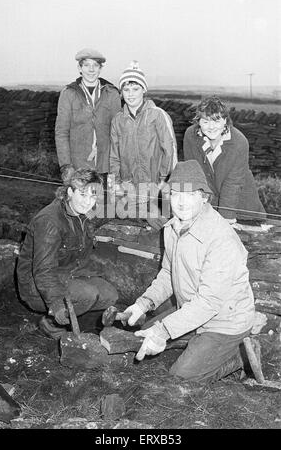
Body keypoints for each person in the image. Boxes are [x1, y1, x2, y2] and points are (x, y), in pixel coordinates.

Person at [117, 160, 255, 383]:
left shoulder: (221, 238)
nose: (181, 201)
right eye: (175, 194)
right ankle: (193, 342)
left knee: (181, 377)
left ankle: (240, 357)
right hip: (192, 308)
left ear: (204, 197)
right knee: (144, 332)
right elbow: (168, 273)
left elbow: (209, 302)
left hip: (225, 320)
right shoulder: (173, 228)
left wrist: (164, 331)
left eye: (190, 194)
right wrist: (143, 303)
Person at [17, 168, 118, 339]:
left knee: (110, 295)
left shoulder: (83, 212)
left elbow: (109, 212)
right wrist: (56, 305)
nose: (88, 202)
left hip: (68, 272)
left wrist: (142, 210)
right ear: (70, 191)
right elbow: (43, 271)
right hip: (36, 285)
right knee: (88, 295)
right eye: (83, 194)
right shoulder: (50, 222)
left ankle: (74, 316)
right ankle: (51, 323)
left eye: (93, 196)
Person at [109, 61, 178, 227]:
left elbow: (170, 152)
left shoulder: (158, 115)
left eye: (135, 89)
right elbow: (114, 157)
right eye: (126, 90)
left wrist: (165, 182)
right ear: (121, 92)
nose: (130, 94)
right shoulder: (118, 121)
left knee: (161, 227)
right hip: (130, 188)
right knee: (131, 228)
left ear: (144, 90)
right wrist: (116, 184)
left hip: (157, 186)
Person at [183, 96, 265, 227]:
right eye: (205, 122)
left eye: (216, 121)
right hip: (209, 208)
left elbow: (233, 183)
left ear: (225, 121)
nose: (211, 127)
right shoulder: (191, 136)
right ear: (198, 122)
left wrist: (225, 220)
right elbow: (191, 174)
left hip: (241, 209)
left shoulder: (239, 142)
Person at [55, 48, 122, 184]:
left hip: (105, 165)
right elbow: (61, 132)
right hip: (78, 167)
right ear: (79, 68)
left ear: (100, 69)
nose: (91, 70)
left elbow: (118, 132)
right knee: (80, 203)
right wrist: (66, 166)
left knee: (105, 203)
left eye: (95, 65)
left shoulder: (112, 93)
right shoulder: (68, 93)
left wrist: (116, 166)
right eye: (86, 65)